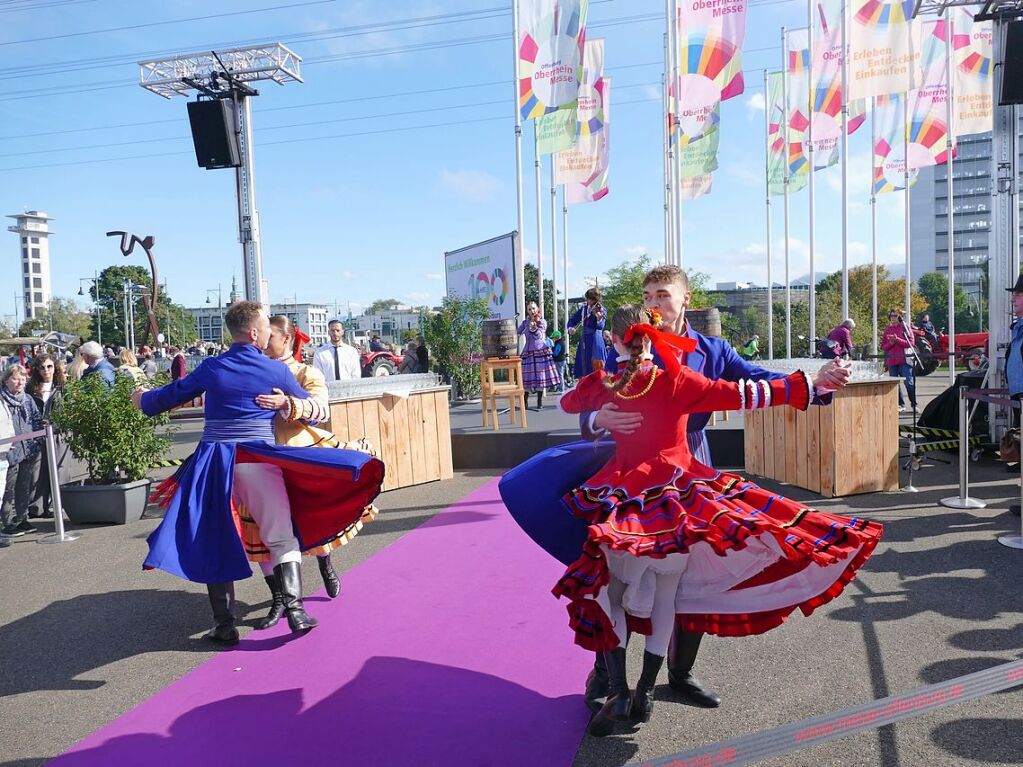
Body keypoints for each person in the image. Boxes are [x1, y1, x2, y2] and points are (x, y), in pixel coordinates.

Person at [500, 263, 851, 712]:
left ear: (685, 299)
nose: (653, 303)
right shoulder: (626, 342)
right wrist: (597, 420)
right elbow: (586, 398)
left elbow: (755, 382)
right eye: (647, 295)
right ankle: (608, 674)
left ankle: (680, 674)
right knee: (615, 573)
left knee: (693, 573)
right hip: (626, 462)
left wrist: (815, 385)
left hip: (691, 461)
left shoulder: (712, 349)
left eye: (662, 294)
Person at [553, 305, 882, 736]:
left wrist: (599, 411)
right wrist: (809, 385)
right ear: (656, 338)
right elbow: (746, 394)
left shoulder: (603, 384)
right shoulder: (678, 380)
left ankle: (618, 689)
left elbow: (567, 401)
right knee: (667, 597)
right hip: (678, 501)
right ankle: (646, 693)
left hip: (626, 504)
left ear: (613, 342)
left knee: (611, 595)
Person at [135, 301, 385, 644]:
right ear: (254, 332)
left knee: (215, 538)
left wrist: (141, 398)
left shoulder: (212, 367)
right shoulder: (276, 371)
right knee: (280, 534)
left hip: (213, 462)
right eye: (266, 327)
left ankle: (225, 625)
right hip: (257, 458)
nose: (269, 333)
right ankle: (295, 610)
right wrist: (288, 404)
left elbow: (166, 398)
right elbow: (315, 413)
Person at [241, 315, 379, 628]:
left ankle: (325, 562)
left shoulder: (306, 371)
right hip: (261, 460)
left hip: (300, 457)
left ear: (286, 339)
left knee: (310, 520)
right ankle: (279, 598)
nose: (262, 341)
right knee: (261, 530)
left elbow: (320, 409)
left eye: (269, 336)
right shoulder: (253, 370)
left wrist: (286, 403)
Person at [1, 365, 43, 537]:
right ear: (6, 380)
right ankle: (7, 521)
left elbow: (36, 420)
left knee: (24, 487)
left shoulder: (27, 399)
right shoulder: (2, 401)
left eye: (23, 379)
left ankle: (21, 518)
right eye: (16, 378)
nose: (20, 382)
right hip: (9, 451)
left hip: (28, 449)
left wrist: (37, 441)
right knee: (8, 489)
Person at [27, 353, 69, 520]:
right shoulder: (31, 388)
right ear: (37, 369)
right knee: (38, 470)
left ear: (55, 367)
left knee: (60, 469)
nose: (46, 370)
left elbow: (69, 409)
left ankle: (56, 505)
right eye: (42, 367)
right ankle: (37, 507)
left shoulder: (62, 386)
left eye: (49, 366)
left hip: (59, 432)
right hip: (38, 433)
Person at [518, 302, 561, 410]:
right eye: (529, 309)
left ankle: (539, 401)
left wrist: (535, 327)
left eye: (533, 308)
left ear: (537, 310)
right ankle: (525, 402)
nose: (531, 311)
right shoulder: (525, 323)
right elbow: (518, 332)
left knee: (540, 377)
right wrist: (517, 334)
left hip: (540, 351)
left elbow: (540, 335)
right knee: (527, 377)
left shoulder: (542, 322)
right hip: (528, 352)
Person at [882, 309, 917, 412]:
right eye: (891, 315)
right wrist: (891, 343)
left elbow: (911, 343)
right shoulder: (887, 330)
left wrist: (898, 340)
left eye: (895, 316)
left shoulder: (905, 328)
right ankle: (901, 405)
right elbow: (883, 346)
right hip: (892, 361)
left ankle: (914, 404)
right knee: (895, 385)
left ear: (900, 317)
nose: (892, 317)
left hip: (904, 360)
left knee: (909, 383)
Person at [566, 288, 607, 378]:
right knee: (584, 364)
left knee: (597, 363)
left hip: (596, 339)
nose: (588, 301)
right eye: (588, 298)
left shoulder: (601, 309)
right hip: (585, 338)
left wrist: (599, 319)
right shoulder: (584, 309)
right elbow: (572, 320)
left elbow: (600, 327)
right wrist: (570, 328)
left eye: (590, 299)